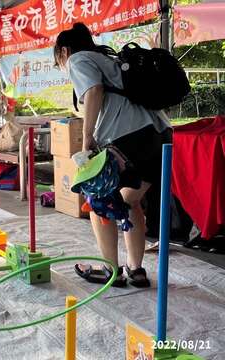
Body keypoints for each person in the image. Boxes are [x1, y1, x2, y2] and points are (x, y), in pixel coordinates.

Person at [54, 23, 172, 287]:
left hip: (127, 138)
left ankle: (111, 271)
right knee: (130, 202)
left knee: (100, 203)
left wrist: (86, 140)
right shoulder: (113, 61)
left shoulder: (78, 59)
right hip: (160, 136)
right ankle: (136, 269)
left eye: (58, 58)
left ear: (64, 50)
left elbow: (94, 91)